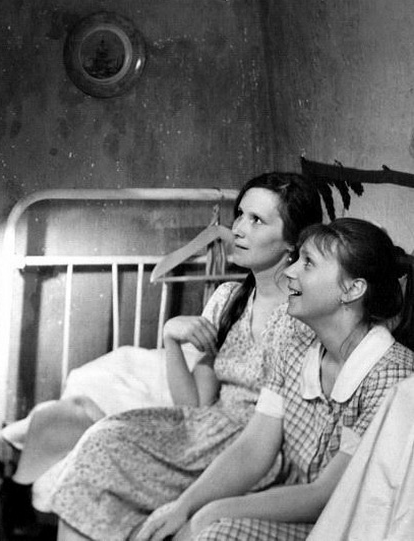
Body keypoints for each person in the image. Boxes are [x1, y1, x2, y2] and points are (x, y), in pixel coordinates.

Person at [50, 171, 324, 540]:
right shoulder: (228, 299)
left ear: (293, 241)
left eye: (257, 220)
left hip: (256, 449)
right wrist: (171, 339)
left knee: (103, 454)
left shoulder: (303, 313)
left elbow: (280, 428)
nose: (238, 229)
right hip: (204, 435)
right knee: (102, 441)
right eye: (239, 215)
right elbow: (194, 404)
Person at [135, 218, 414, 541]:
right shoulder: (294, 340)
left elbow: (326, 495)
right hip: (300, 514)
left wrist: (213, 512)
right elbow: (254, 448)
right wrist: (184, 506)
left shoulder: (392, 375)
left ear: (352, 289)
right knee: (178, 523)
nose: (290, 271)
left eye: (308, 263)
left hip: (350, 525)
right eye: (296, 258)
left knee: (213, 531)